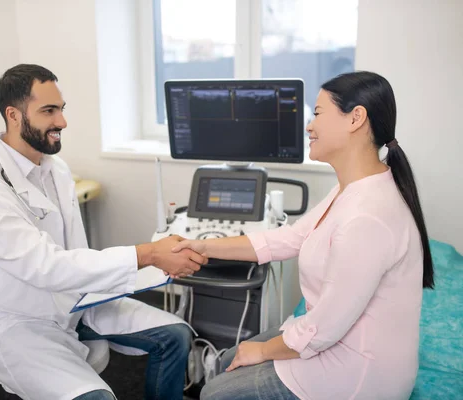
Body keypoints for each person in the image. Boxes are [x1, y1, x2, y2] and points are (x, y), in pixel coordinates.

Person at [173, 71, 434, 400]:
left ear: (356, 118)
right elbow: (288, 238)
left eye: (318, 114)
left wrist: (264, 350)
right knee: (227, 359)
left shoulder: (368, 218)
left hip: (358, 375)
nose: (309, 126)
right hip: (334, 340)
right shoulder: (352, 188)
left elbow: (323, 330)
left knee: (214, 392)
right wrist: (200, 246)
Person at [0, 64, 207, 400]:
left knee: (176, 335)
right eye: (48, 111)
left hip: (77, 301)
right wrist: (148, 254)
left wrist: (149, 264)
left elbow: (75, 253)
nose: (62, 122)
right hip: (20, 323)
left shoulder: (55, 168)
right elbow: (48, 267)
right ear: (13, 115)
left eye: (61, 109)